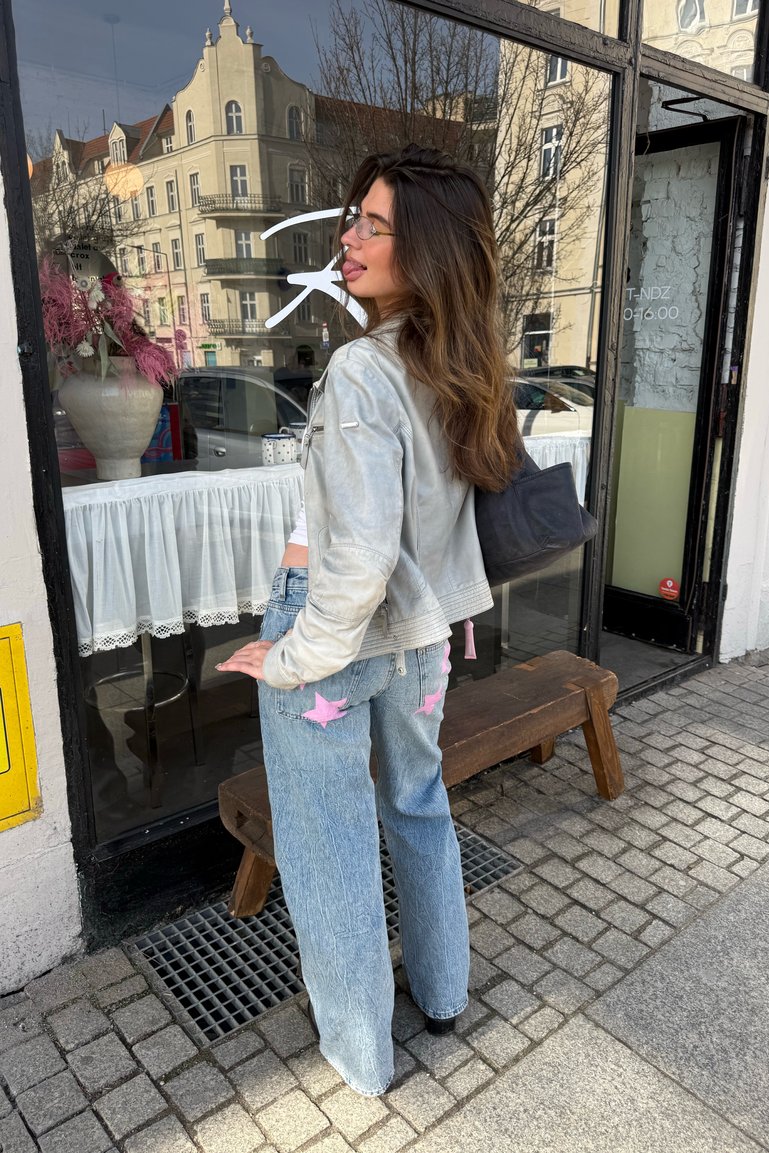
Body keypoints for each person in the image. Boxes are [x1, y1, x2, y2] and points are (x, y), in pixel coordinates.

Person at [216, 144, 519, 1096]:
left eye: (373, 225)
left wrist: (290, 656)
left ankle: (360, 1054)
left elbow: (354, 562)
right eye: (353, 218)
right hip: (424, 638)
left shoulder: (360, 371)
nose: (347, 237)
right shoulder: (461, 366)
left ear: (422, 249)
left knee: (330, 841)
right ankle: (441, 995)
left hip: (341, 634)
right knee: (420, 809)